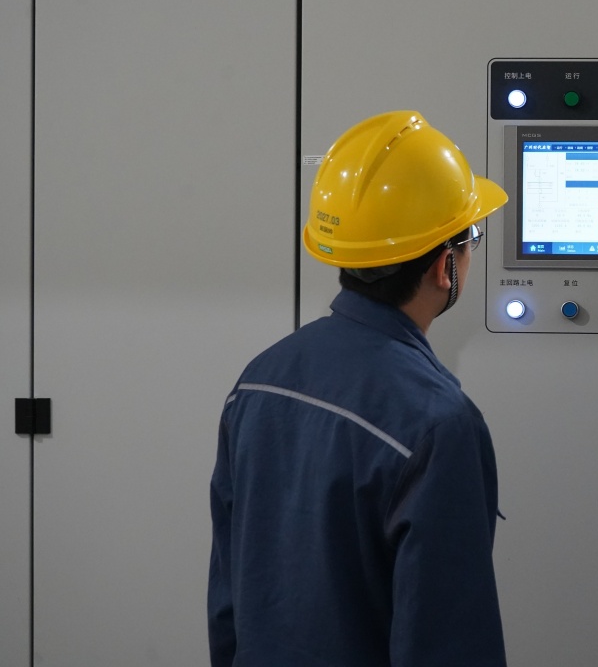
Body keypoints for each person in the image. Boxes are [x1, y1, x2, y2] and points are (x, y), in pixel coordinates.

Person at [208, 110, 509, 667]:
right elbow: (448, 639)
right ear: (445, 266)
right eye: (471, 237)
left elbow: (229, 598)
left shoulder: (258, 381)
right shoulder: (440, 425)